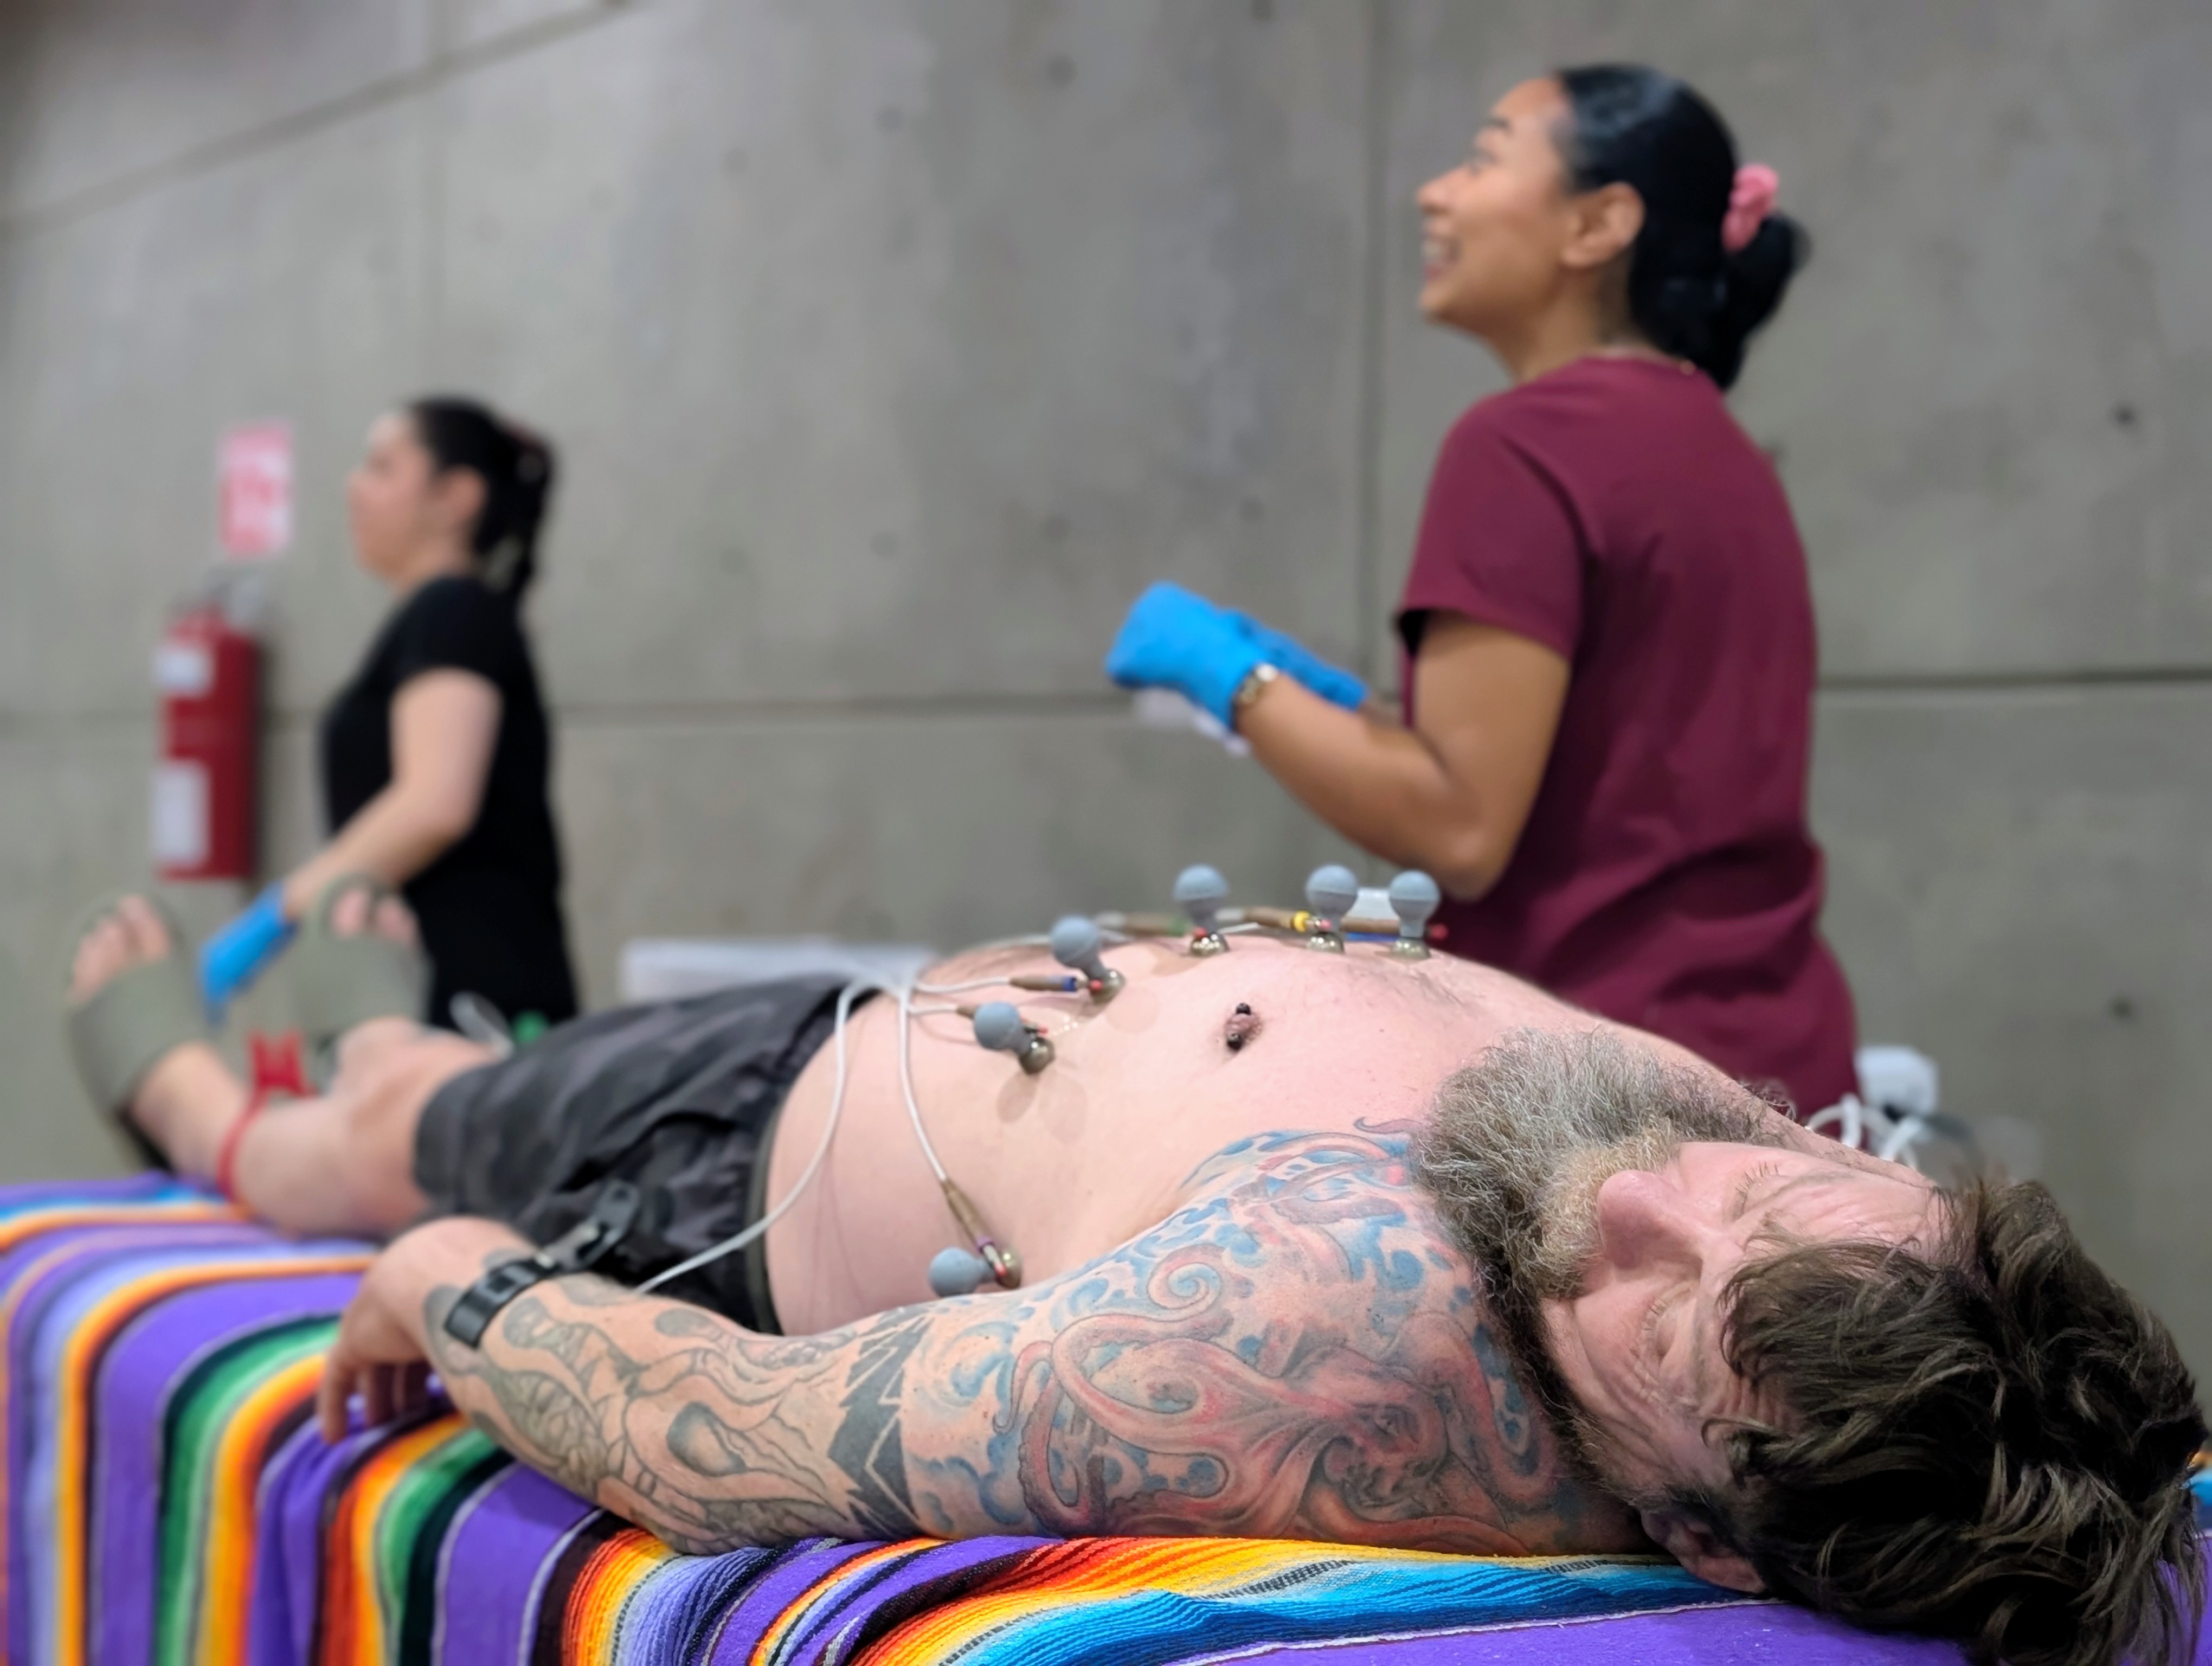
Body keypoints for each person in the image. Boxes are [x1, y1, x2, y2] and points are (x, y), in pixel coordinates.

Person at [61, 886, 2204, 1666]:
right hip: (903, 1027)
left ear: (1697, 1544)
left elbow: (745, 1452)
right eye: (1759, 1191)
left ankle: (168, 1083)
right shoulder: (1861, 1261)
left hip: (723, 1147)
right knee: (412, 1049)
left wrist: (453, 1282)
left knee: (349, 1132)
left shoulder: (1327, 1348)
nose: (1659, 1188)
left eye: (1663, 1303)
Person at [1105, 66, 1856, 1116]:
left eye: (1484, 156)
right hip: (1780, 1081)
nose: (1433, 193)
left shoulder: (1523, 443)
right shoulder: (1723, 450)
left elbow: (1458, 827)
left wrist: (1231, 676)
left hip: (1606, 1110)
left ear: (1599, 224)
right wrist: (1339, 716)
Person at [196, 397, 578, 1039]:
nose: (354, 486)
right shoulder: (434, 619)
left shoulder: (453, 611)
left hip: (476, 1007)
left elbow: (434, 803)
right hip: (433, 999)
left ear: (455, 497)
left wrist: (275, 914)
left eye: (382, 467)